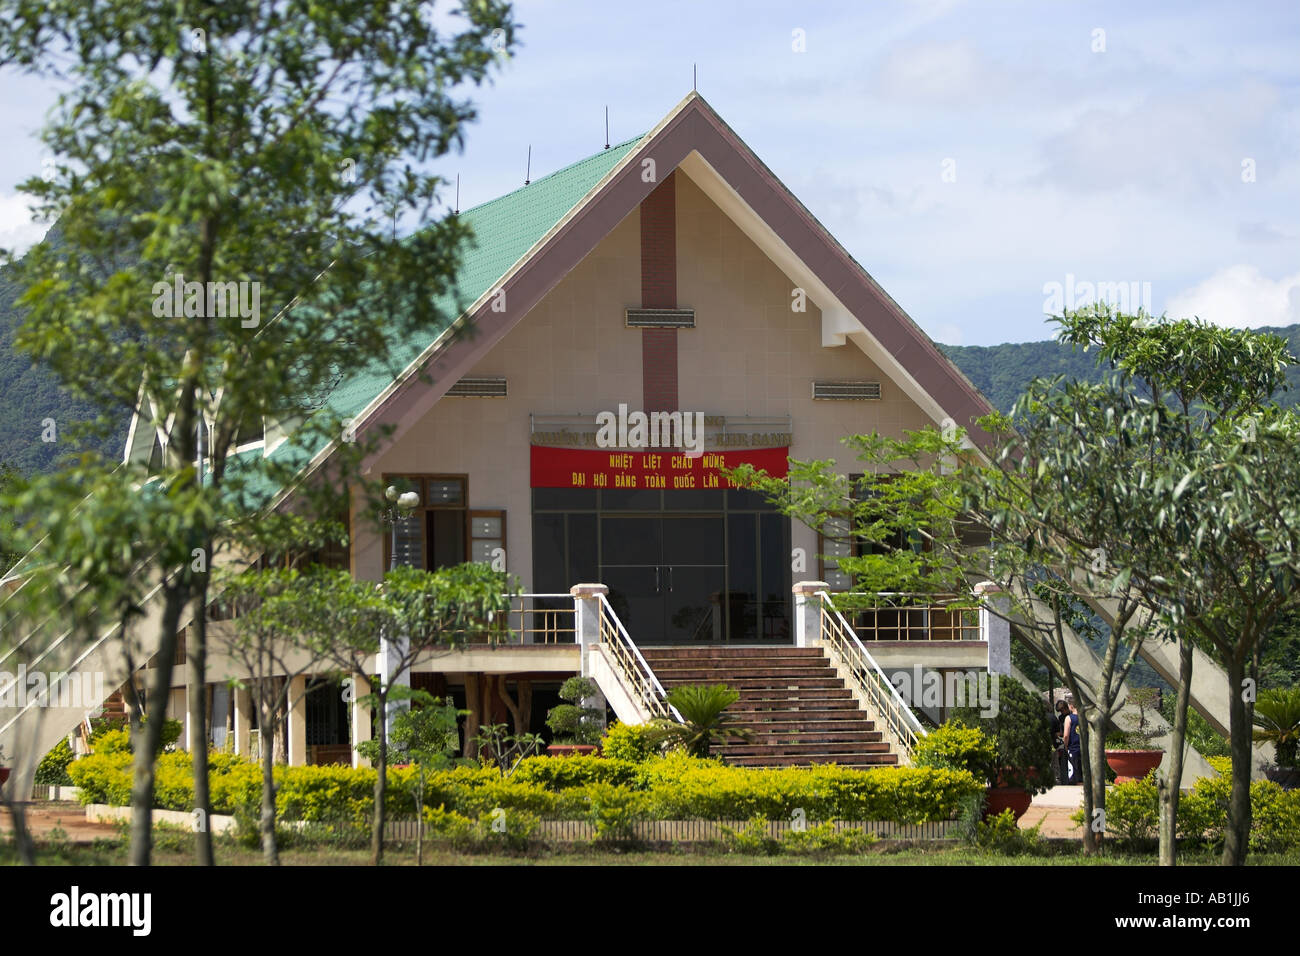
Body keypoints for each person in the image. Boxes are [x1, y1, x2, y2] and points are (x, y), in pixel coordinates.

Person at [1062, 700, 1083, 785]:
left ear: (1071, 706)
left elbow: (1066, 735)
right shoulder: (1085, 717)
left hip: (1073, 747)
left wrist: (1066, 745)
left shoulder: (1069, 718)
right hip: (1083, 747)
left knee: (1074, 771)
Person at [1052, 699, 1070, 784]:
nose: (1061, 713)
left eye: (1062, 711)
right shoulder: (1061, 717)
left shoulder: (1070, 716)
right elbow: (1061, 730)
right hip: (1063, 739)